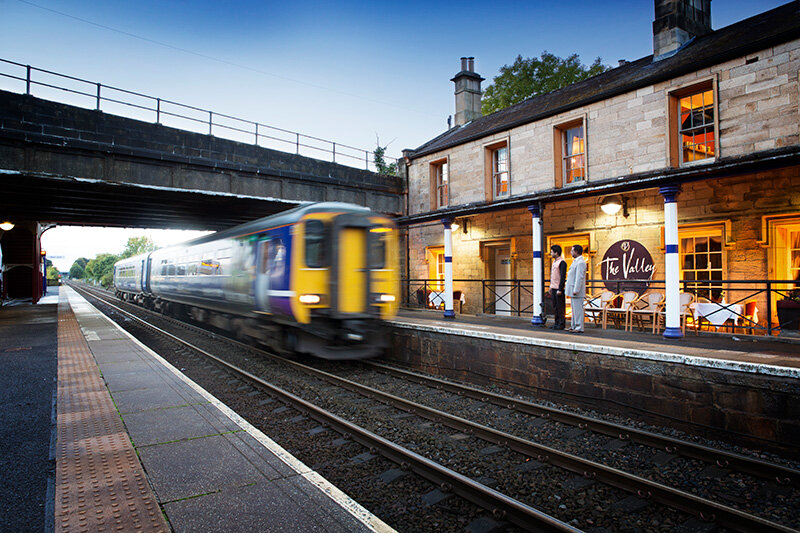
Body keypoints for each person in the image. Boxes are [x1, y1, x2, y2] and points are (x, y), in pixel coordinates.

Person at [565, 244, 587, 333]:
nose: (571, 252)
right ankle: (573, 325)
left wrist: (576, 289)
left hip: (576, 291)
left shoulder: (581, 262)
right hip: (572, 289)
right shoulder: (576, 261)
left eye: (572, 250)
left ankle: (579, 327)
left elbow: (579, 277)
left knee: (578, 309)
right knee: (574, 309)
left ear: (576, 251)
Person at [549, 245, 567, 330]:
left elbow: (562, 276)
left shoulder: (562, 262)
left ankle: (561, 323)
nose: (551, 253)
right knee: (555, 306)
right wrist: (550, 286)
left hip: (558, 288)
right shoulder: (554, 262)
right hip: (553, 287)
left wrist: (560, 288)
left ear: (556, 253)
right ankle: (556, 322)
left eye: (552, 252)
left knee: (560, 307)